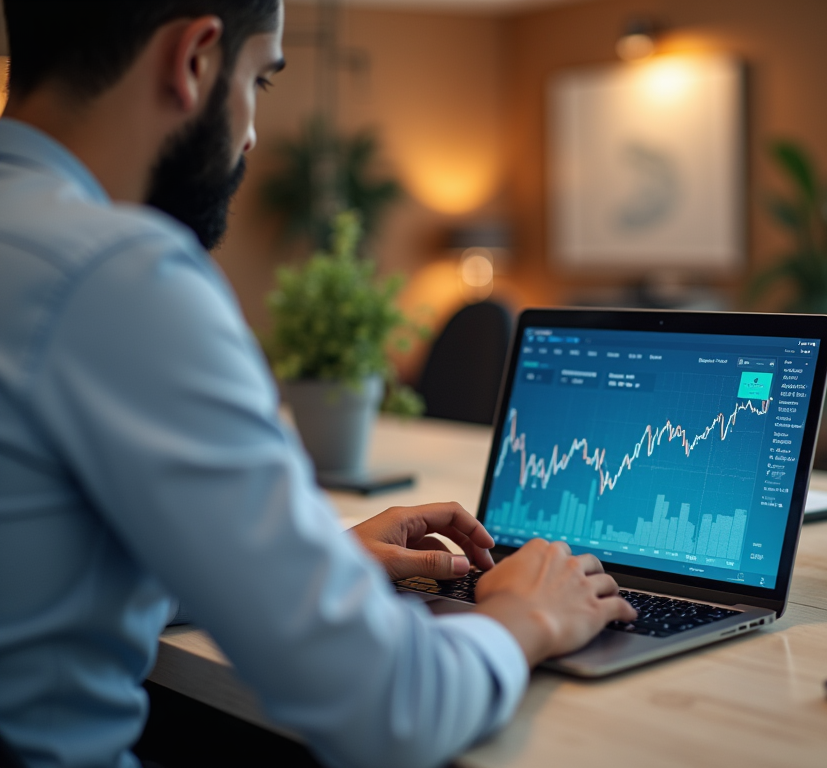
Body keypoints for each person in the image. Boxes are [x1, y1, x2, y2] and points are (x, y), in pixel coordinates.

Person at [0, 2, 636, 767]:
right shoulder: (121, 274)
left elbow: (36, 567)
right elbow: (391, 710)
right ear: (196, 58)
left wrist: (301, 570)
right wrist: (524, 617)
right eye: (261, 81)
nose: (253, 132)